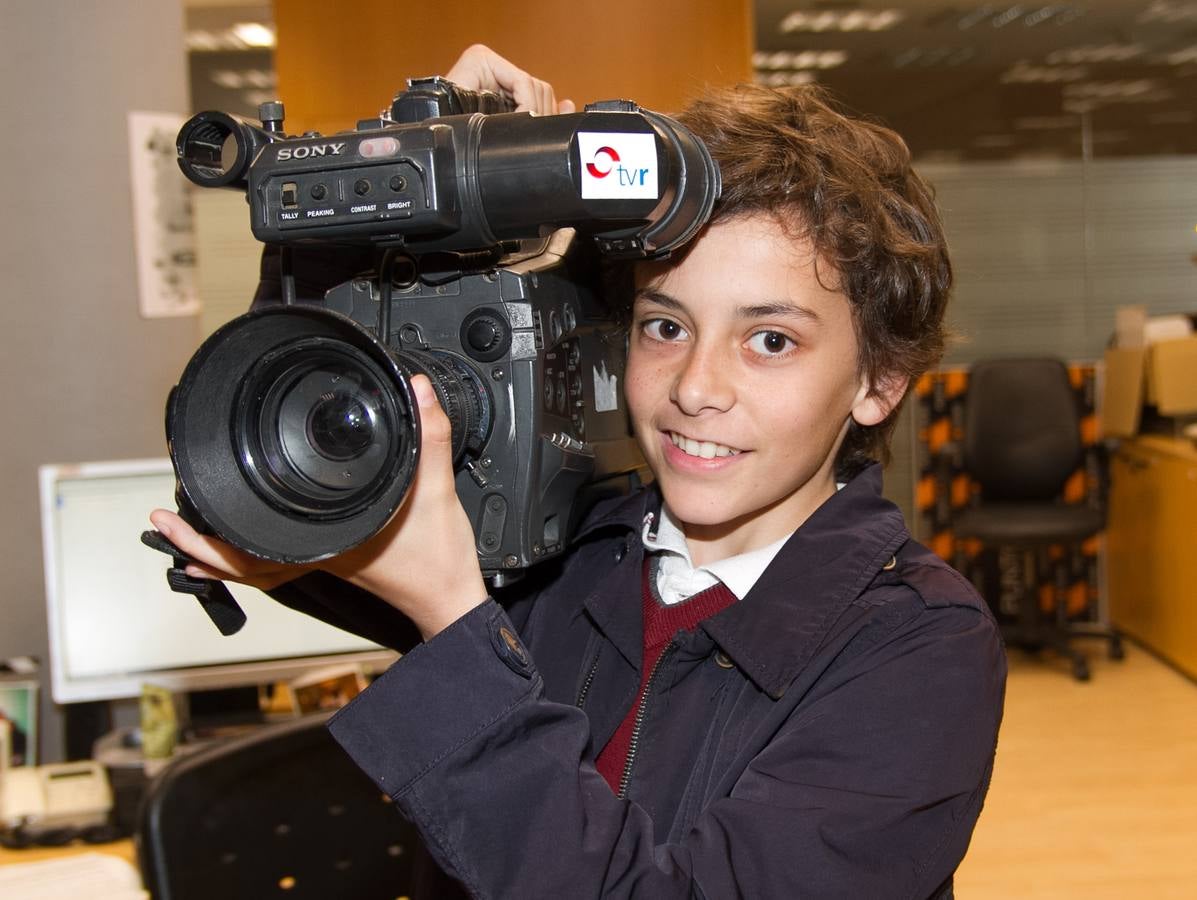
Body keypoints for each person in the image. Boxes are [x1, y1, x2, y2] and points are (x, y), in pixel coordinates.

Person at [150, 44, 1005, 899]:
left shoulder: (919, 647)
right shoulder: (557, 548)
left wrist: (455, 624)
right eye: (664, 327)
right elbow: (258, 476)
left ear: (876, 382)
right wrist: (397, 182)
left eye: (769, 340)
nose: (695, 388)